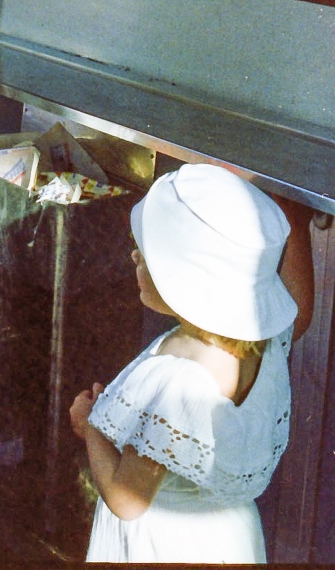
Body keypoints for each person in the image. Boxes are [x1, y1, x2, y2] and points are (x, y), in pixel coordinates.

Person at [69, 163, 314, 564]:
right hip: (229, 540)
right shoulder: (266, 341)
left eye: (149, 255)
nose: (135, 256)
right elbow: (298, 309)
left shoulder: (176, 379)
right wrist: (295, 221)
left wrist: (91, 427)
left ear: (188, 279)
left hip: (163, 546)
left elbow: (127, 501)